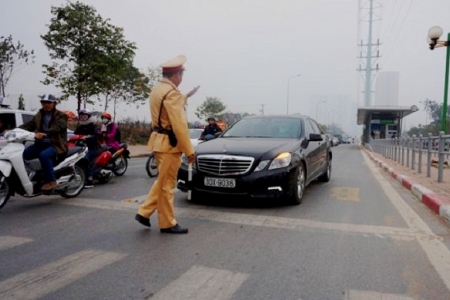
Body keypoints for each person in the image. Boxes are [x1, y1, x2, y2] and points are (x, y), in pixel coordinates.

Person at [135, 54, 199, 234]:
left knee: (162, 181)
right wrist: (189, 151)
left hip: (159, 141)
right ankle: (167, 223)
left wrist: (185, 97)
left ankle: (144, 212)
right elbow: (179, 126)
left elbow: (166, 107)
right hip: (170, 145)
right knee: (167, 185)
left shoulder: (158, 90)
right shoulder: (173, 93)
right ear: (177, 75)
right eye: (181, 75)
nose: (181, 78)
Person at [19, 94, 68, 190]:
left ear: (54, 103)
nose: (46, 105)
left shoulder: (62, 116)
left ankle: (51, 181)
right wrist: (13, 130)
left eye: (49, 102)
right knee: (23, 154)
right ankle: (31, 176)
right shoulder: (39, 114)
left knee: (44, 155)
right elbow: (29, 125)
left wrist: (44, 133)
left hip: (56, 144)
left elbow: (58, 127)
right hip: (41, 143)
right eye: (43, 102)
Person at [74, 109, 102, 189]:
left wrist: (87, 137)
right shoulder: (80, 126)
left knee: (85, 161)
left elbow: (96, 135)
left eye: (85, 116)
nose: (83, 117)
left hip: (91, 148)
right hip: (80, 148)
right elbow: (74, 134)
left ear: (88, 117)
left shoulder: (93, 126)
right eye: (81, 116)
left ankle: (90, 179)